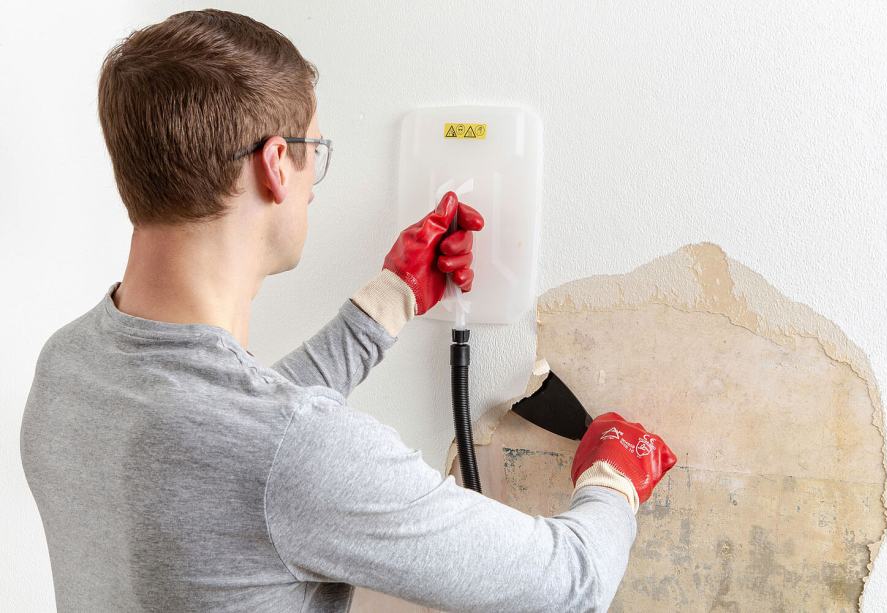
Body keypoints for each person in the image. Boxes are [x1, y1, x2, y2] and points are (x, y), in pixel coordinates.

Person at [19, 9, 676, 612]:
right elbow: (570, 584)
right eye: (316, 152)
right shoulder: (292, 449)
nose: (312, 187)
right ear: (276, 165)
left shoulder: (67, 367)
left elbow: (227, 439)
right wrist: (613, 477)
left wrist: (388, 302)